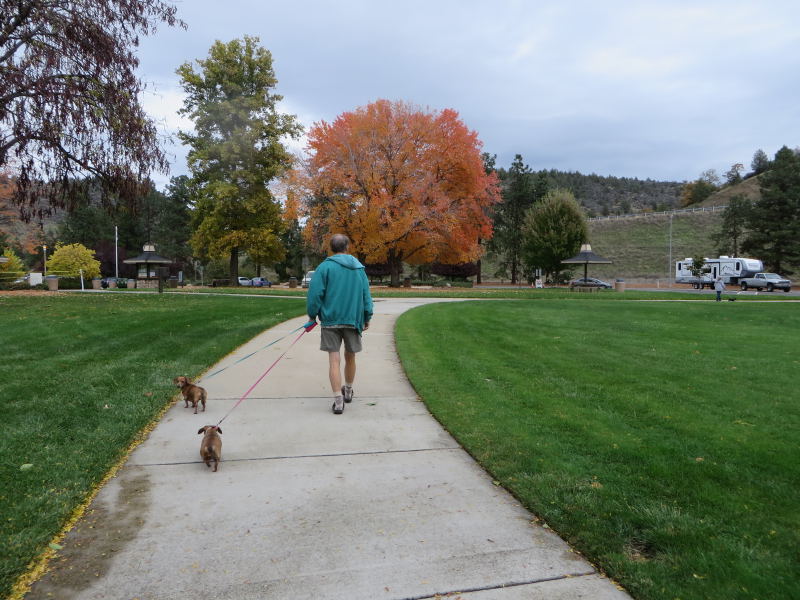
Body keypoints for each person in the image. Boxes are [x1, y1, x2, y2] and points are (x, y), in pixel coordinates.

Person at [306, 234, 373, 415]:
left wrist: (312, 316)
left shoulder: (324, 267)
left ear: (331, 248)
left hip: (330, 320)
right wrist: (367, 316)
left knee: (333, 359)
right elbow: (366, 295)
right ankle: (348, 390)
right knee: (351, 357)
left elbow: (315, 295)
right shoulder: (359, 268)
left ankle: (338, 401)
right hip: (353, 319)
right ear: (347, 247)